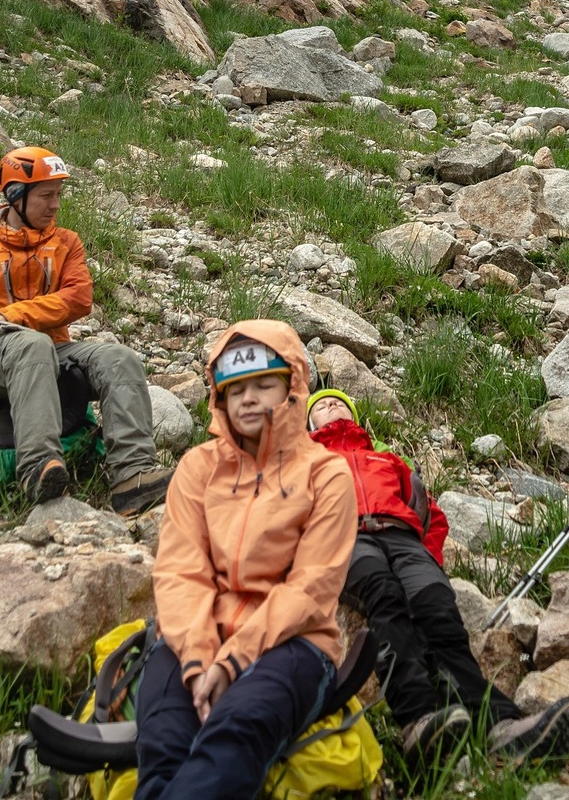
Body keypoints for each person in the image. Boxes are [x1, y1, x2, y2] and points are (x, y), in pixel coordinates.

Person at [306, 389, 569, 764]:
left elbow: (428, 512)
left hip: (402, 537)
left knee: (437, 607)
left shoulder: (386, 459)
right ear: (308, 425)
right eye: (320, 406)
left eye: (338, 402)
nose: (330, 406)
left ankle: (500, 725)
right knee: (384, 598)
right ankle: (418, 719)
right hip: (345, 538)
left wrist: (428, 560)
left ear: (356, 417)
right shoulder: (301, 465)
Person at [138, 324, 358, 800]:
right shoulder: (198, 467)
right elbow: (180, 572)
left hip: (295, 645)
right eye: (235, 388)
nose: (248, 399)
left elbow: (311, 589)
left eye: (264, 384)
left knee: (235, 732)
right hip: (196, 635)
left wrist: (235, 660)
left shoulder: (327, 474)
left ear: (292, 387)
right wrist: (198, 662)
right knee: (163, 741)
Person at [0, 146, 172, 513]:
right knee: (31, 345)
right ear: (15, 196)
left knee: (119, 358)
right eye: (46, 196)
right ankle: (38, 469)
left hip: (49, 349)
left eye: (58, 195)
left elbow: (78, 299)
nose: (55, 205)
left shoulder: (66, 243)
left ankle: (132, 474)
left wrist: (11, 315)